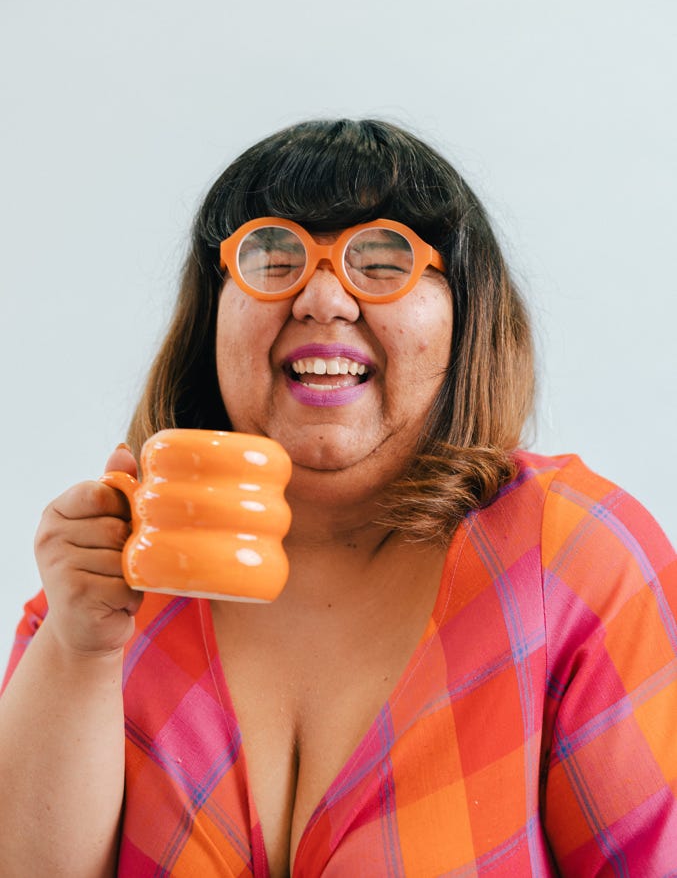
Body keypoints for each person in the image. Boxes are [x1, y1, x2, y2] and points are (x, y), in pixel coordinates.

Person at [1, 119, 675, 878]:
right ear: (212, 313)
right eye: (272, 257)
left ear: (464, 314)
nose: (322, 299)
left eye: (382, 262)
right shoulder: (111, 579)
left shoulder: (574, 557)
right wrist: (78, 646)